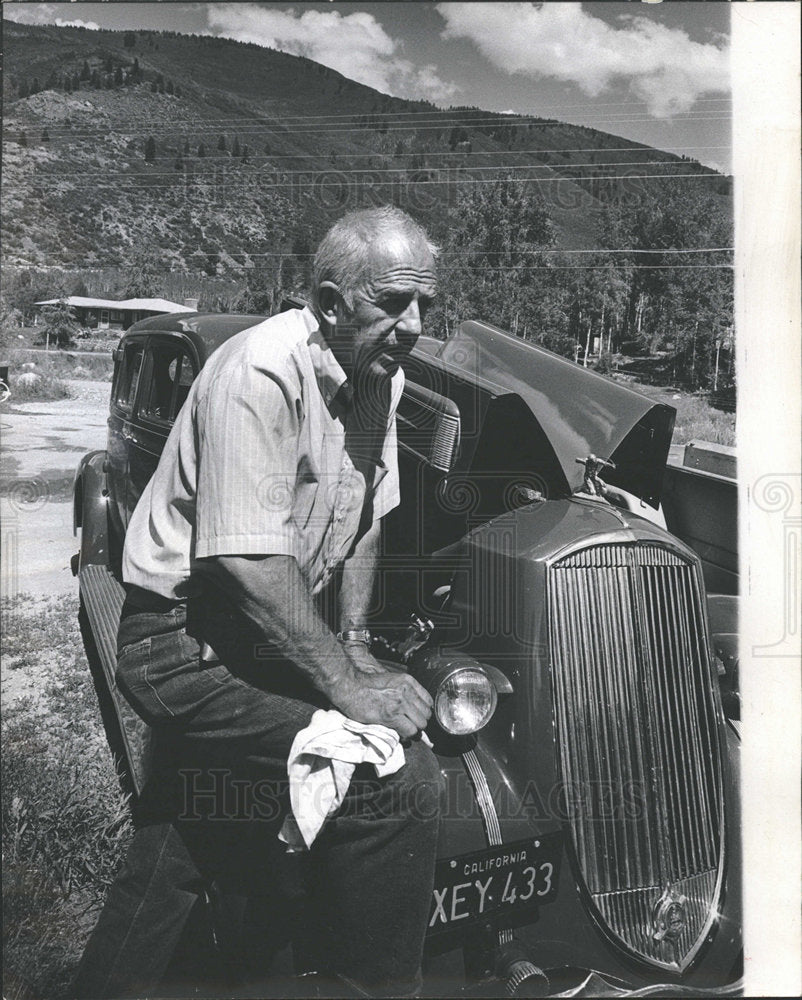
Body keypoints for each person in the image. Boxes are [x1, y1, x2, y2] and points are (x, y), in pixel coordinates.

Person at [73, 206, 443, 999]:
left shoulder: (379, 373)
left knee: (184, 837)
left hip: (253, 637)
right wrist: (346, 686)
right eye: (394, 303)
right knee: (394, 779)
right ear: (332, 301)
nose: (413, 325)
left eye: (426, 305)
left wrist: (355, 641)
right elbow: (244, 560)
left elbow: (368, 512)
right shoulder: (261, 370)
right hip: (180, 642)